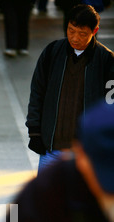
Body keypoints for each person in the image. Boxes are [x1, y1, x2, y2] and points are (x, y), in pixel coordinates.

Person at [26, 4, 114, 173]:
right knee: (47, 199)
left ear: (94, 31)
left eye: (82, 34)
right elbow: (37, 93)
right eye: (71, 30)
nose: (74, 38)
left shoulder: (107, 61)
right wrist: (34, 132)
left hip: (87, 154)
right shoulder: (52, 53)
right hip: (51, 151)